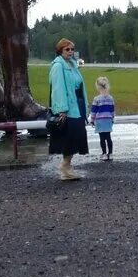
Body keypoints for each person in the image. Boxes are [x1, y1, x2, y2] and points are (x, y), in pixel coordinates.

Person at [48, 38, 88, 180]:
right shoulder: (58, 66)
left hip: (78, 105)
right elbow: (57, 89)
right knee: (70, 137)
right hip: (68, 108)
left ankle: (68, 166)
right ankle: (65, 167)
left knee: (77, 136)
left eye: (72, 49)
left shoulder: (72, 64)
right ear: (60, 51)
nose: (70, 52)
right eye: (67, 49)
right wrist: (62, 109)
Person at [89, 76, 116, 161]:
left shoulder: (96, 99)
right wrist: (112, 118)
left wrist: (92, 120)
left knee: (102, 138)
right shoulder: (110, 98)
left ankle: (104, 153)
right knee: (108, 137)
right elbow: (112, 110)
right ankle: (110, 153)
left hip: (100, 120)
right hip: (108, 120)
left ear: (98, 86)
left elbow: (93, 111)